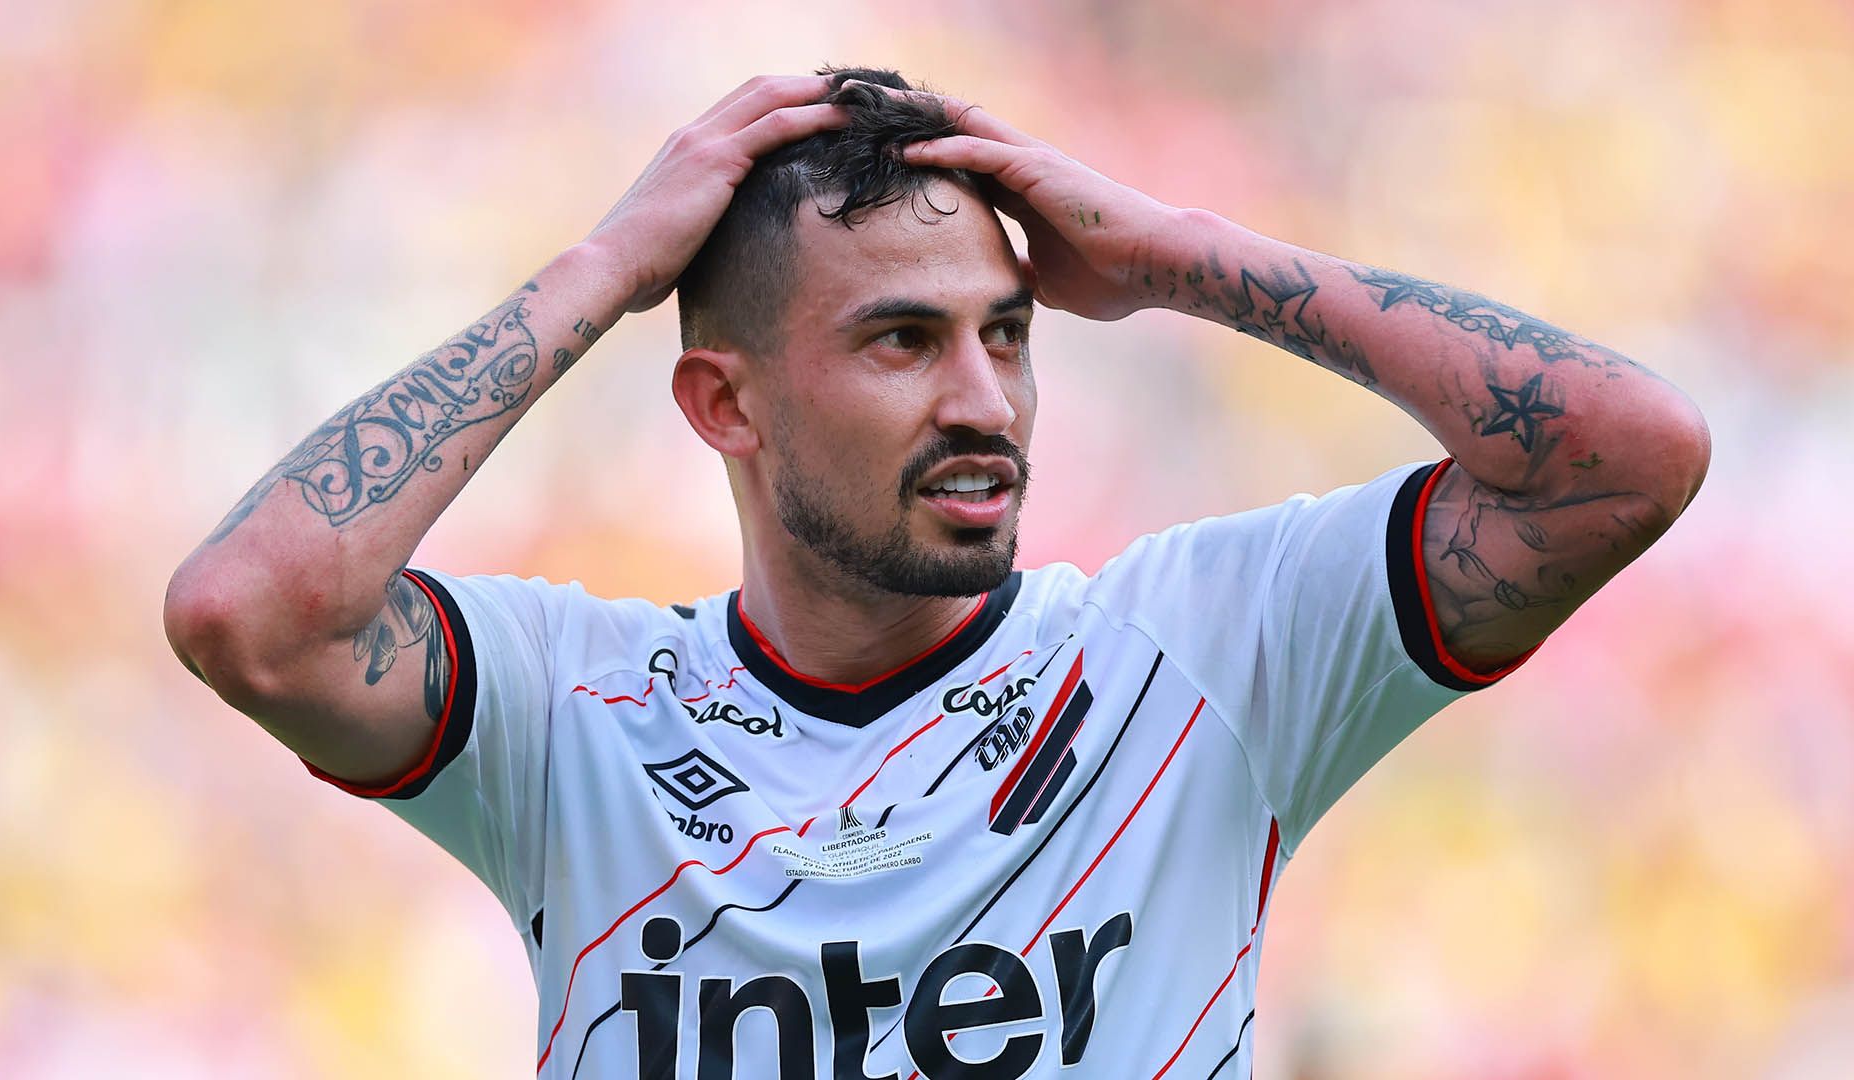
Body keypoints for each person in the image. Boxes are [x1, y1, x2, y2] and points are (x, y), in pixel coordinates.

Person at [163, 67, 1709, 1079]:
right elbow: (251, 613)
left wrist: (1177, 254)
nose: (985, 399)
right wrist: (604, 270)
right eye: (903, 340)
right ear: (723, 403)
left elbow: (1626, 455)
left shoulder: (1204, 655)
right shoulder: (572, 718)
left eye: (1007, 335)